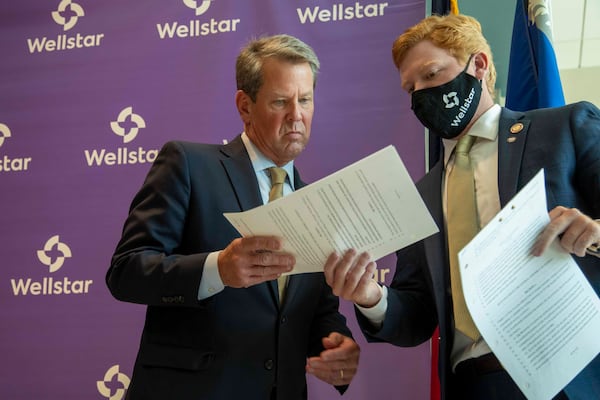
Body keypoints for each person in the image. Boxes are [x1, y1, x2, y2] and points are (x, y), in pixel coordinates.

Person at [322, 14, 600, 400]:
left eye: (432, 75)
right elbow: (417, 315)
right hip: (476, 383)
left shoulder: (564, 128)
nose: (421, 94)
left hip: (575, 375)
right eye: (411, 88)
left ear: (479, 65)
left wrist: (596, 233)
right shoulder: (421, 194)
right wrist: (372, 297)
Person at [106, 34, 360, 400]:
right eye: (280, 101)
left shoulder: (316, 202)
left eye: (305, 100)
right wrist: (217, 269)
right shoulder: (189, 165)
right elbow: (127, 271)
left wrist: (335, 346)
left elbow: (314, 310)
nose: (297, 115)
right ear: (245, 106)